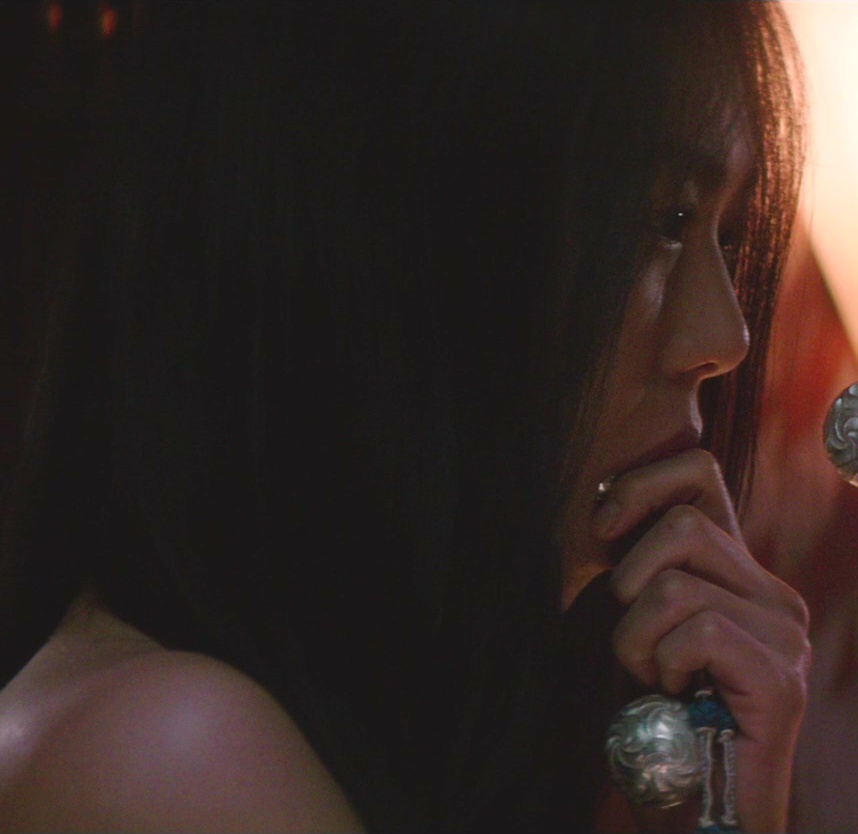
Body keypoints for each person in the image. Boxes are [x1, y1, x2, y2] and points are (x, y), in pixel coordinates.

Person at [0, 3, 808, 831]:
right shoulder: (175, 754)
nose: (725, 340)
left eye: (729, 238)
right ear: (392, 236)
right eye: (663, 221)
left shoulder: (318, 724)